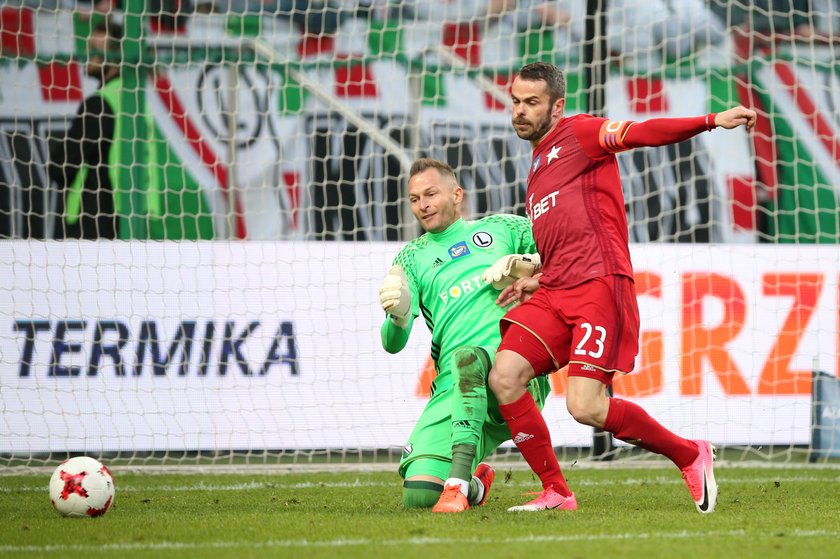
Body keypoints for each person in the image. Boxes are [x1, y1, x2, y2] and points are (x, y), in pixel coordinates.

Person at [487, 61, 757, 513]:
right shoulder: (536, 163)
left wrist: (711, 121)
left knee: (586, 407)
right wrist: (538, 274)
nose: (520, 111)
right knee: (505, 376)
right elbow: (567, 228)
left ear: (558, 106)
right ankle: (557, 491)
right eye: (515, 101)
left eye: (531, 103)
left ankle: (690, 453)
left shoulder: (582, 132)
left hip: (598, 284)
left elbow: (643, 132)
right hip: (554, 289)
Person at [379, 157, 550, 513]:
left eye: (430, 194)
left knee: (470, 357)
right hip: (454, 389)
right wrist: (396, 317)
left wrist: (530, 264)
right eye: (414, 199)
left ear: (457, 194)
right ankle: (473, 485)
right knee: (419, 494)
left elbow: (566, 251)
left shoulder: (504, 228)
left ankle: (456, 484)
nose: (422, 205)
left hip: (516, 368)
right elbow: (392, 345)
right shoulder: (410, 259)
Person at [48, 16, 123, 239]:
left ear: (116, 57)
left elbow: (60, 166)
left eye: (94, 48)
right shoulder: (135, 100)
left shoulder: (98, 104)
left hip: (92, 221)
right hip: (125, 218)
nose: (87, 55)